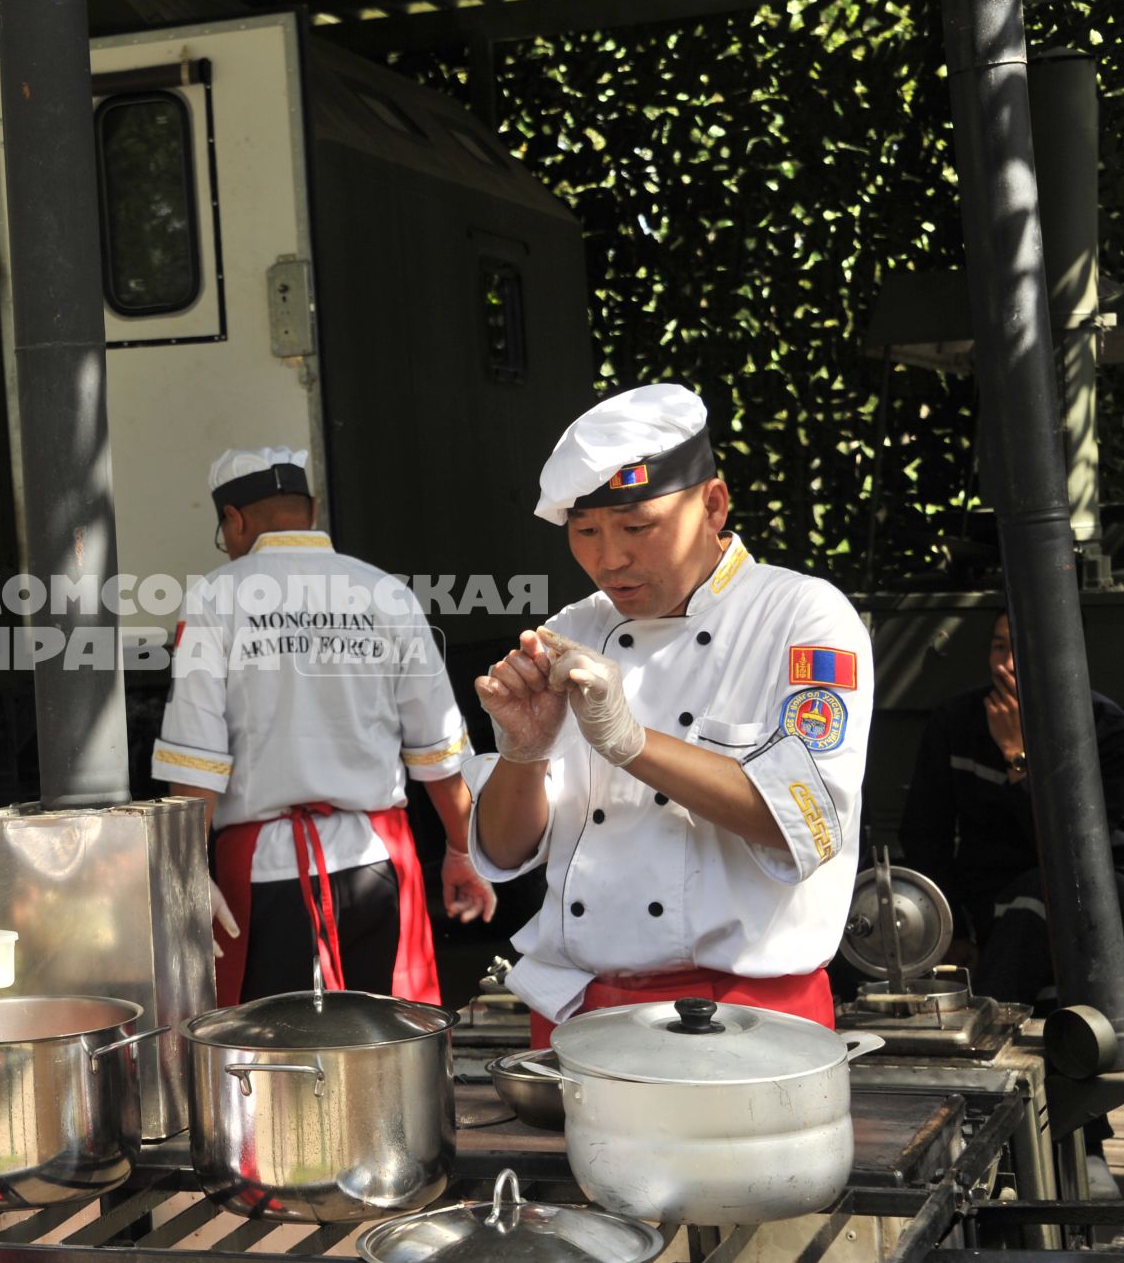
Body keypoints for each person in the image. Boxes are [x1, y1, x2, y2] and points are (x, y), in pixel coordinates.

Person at [469, 384, 872, 1047]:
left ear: (712, 504)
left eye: (637, 526)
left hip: (746, 1018)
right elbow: (506, 850)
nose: (609, 559)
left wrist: (628, 741)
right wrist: (523, 749)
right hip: (581, 1012)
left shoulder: (802, 618)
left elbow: (802, 816)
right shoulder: (574, 630)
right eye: (585, 531)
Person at [151, 446, 493, 1007]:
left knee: (271, 1063)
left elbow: (197, 754)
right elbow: (437, 745)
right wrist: (462, 850)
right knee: (387, 1051)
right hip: (378, 862)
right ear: (311, 509)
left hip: (265, 877)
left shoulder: (215, 599)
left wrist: (186, 873)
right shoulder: (388, 593)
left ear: (233, 520)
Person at [897, 609, 1124, 1004]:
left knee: (1036, 893)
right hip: (982, 903)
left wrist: (1018, 759)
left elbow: (1080, 857)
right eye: (999, 646)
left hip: (1077, 905)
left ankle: (989, 1023)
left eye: (1020, 649)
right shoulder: (956, 722)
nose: (1006, 664)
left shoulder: (1105, 728)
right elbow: (924, 834)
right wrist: (951, 931)